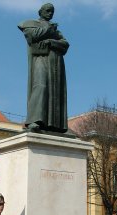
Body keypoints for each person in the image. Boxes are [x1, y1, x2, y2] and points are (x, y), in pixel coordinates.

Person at [18, 3, 69, 133]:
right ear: (40, 12)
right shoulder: (30, 23)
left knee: (55, 91)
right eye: (48, 10)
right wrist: (48, 29)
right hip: (40, 59)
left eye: (52, 11)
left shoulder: (55, 30)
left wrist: (51, 42)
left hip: (56, 63)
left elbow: (65, 44)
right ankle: (34, 120)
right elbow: (32, 37)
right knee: (40, 86)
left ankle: (54, 125)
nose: (50, 13)